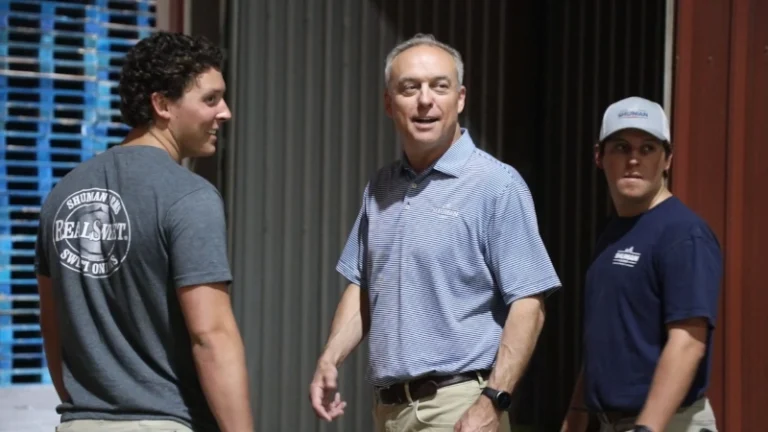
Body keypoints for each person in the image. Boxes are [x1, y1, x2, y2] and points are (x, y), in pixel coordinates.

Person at [309, 33, 561, 432]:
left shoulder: (496, 185)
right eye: (409, 88)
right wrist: (329, 358)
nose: (425, 100)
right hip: (389, 411)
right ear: (389, 104)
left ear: (459, 99)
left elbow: (529, 303)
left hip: (458, 408)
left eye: (439, 87)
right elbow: (361, 285)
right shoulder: (381, 187)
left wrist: (494, 400)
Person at [34, 32, 254, 432]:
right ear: (162, 104)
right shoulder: (189, 196)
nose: (225, 112)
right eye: (210, 99)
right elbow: (211, 335)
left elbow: (52, 325)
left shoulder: (60, 196)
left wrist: (83, 407)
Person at [561, 96, 722, 432]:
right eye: (620, 147)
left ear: (668, 159)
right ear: (599, 157)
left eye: (647, 148)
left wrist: (647, 427)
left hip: (667, 423)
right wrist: (576, 415)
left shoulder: (683, 234)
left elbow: (688, 343)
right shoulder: (613, 233)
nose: (633, 159)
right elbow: (605, 338)